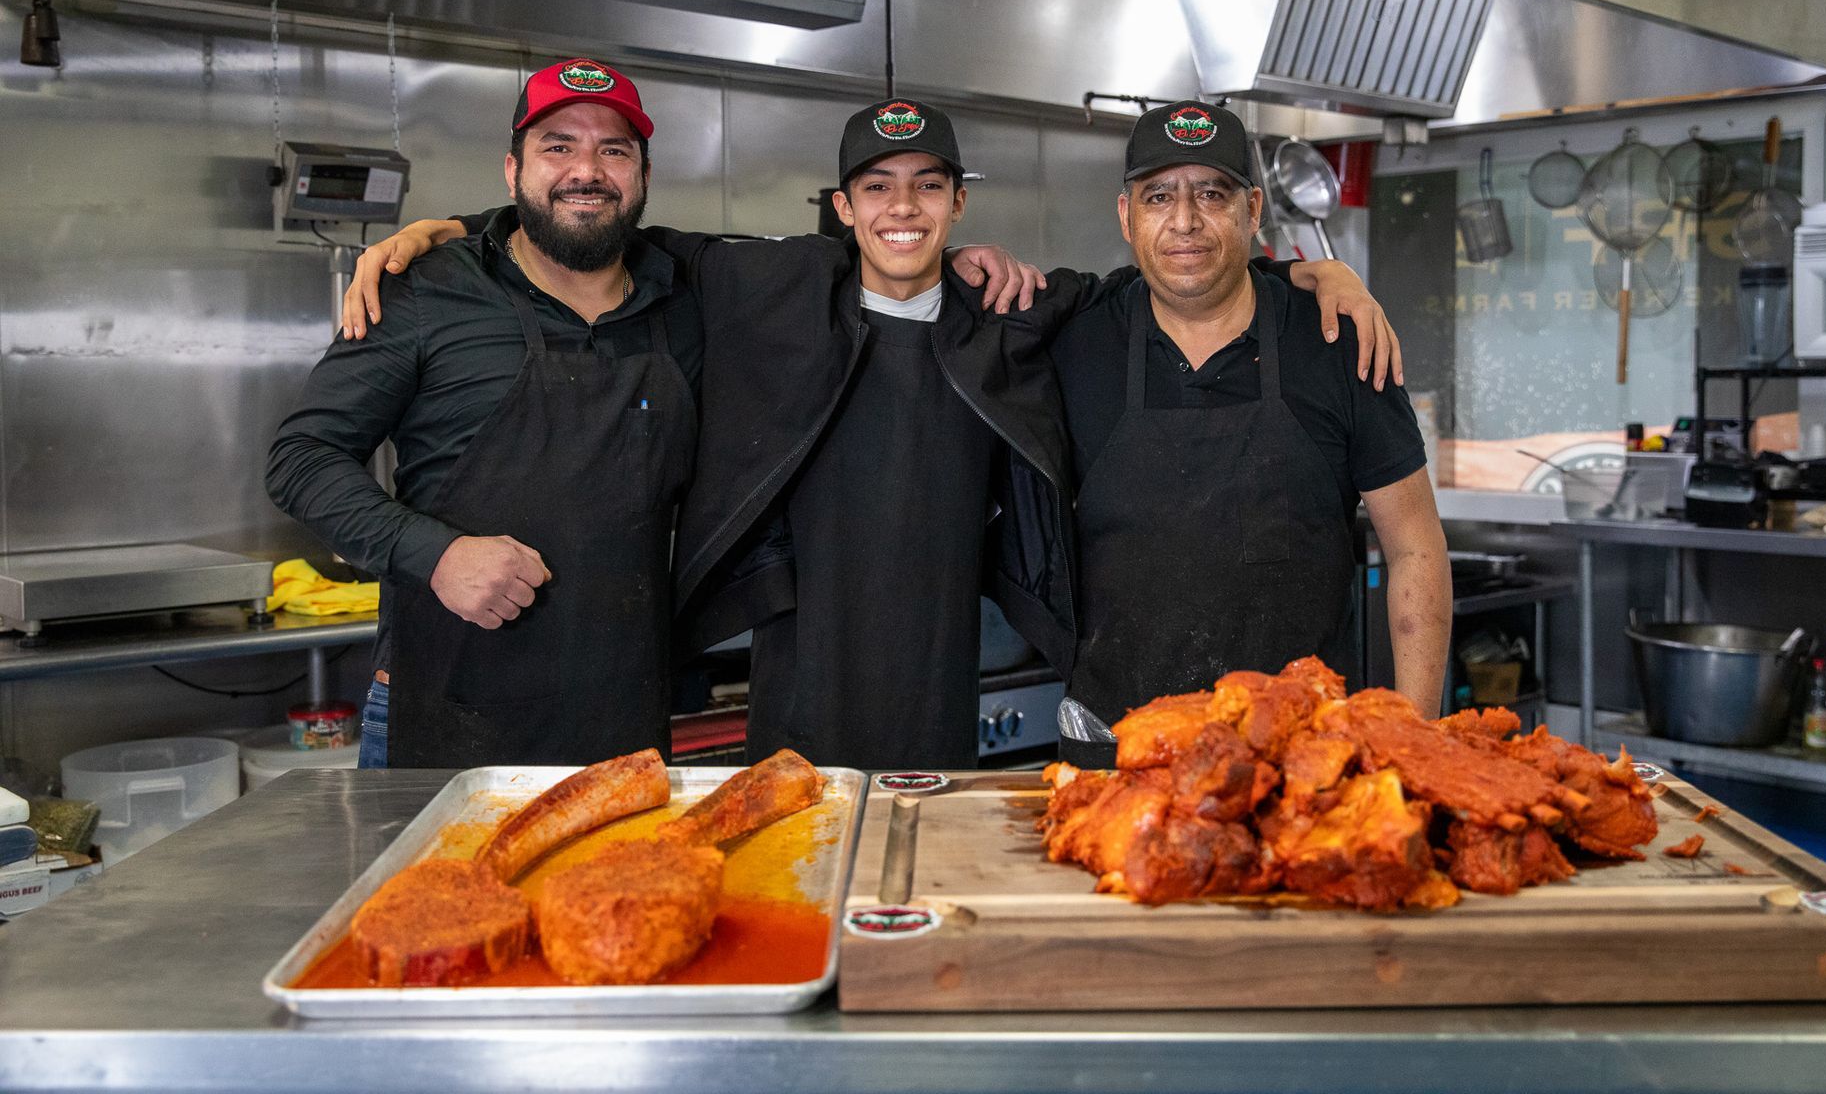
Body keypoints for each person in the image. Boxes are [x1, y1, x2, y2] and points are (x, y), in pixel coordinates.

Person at [342, 99, 1402, 769]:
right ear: (842, 207)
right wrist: (453, 238)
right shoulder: (764, 285)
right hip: (795, 669)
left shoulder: (1017, 310)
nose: (903, 208)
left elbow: (1182, 274)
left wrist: (1310, 268)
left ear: (954, 204)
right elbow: (589, 228)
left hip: (948, 676)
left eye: (927, 186)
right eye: (878, 189)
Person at [266, 58, 700, 767]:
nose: (585, 170)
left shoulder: (683, 300)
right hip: (446, 711)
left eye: (613, 149)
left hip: (623, 724)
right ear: (511, 169)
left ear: (643, 176)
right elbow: (302, 459)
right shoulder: (424, 291)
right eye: (557, 146)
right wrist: (433, 554)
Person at [1048, 101, 1449, 765]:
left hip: (1304, 762)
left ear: (1253, 210)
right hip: (1117, 761)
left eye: (1212, 193)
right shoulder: (1073, 342)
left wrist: (1418, 740)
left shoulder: (1339, 343)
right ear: (1126, 216)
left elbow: (1415, 548)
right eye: (1158, 196)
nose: (1184, 221)